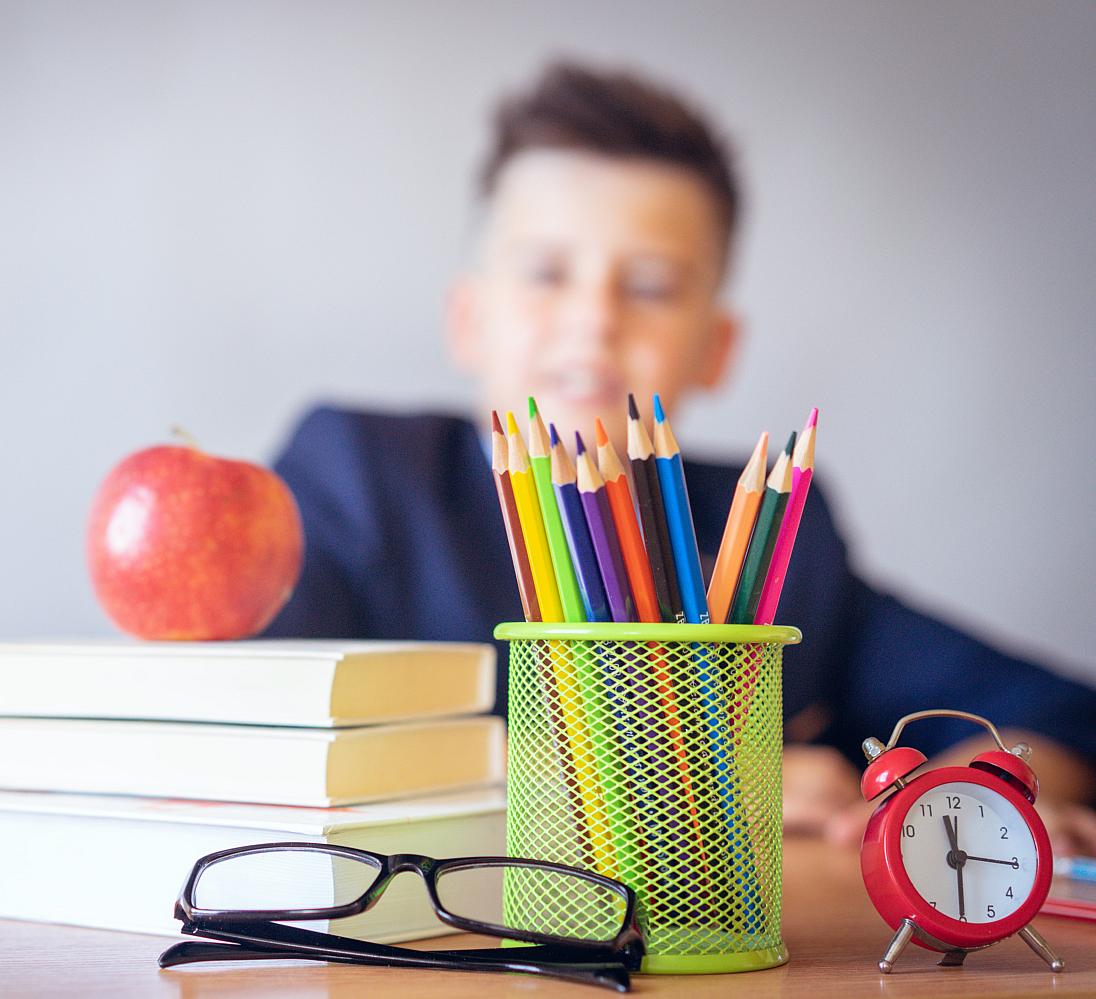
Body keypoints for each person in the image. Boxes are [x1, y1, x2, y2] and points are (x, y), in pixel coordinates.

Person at [265, 61, 1096, 853]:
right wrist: (701, 785)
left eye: (653, 286)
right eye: (547, 272)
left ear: (716, 348)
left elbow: (1053, 712)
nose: (594, 318)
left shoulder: (773, 532)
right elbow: (256, 727)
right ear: (468, 319)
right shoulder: (359, 474)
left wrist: (975, 795)